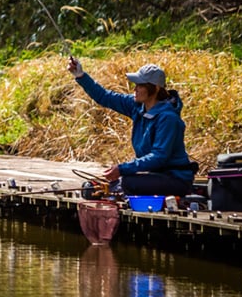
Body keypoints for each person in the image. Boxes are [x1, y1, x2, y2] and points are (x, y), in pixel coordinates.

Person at [67, 56, 196, 196]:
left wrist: (122, 169)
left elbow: (159, 157)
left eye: (140, 85)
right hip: (154, 176)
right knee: (120, 183)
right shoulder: (137, 105)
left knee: (128, 182)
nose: (135, 88)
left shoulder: (168, 118)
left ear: (156, 88)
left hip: (176, 180)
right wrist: (80, 75)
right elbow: (105, 97)